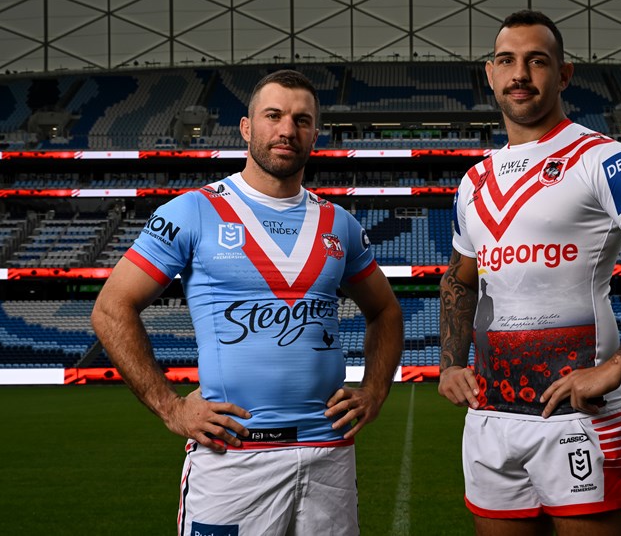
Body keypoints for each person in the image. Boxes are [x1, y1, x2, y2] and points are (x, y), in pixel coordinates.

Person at [91, 69, 404, 536]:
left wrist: (375, 392)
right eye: (273, 115)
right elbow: (111, 308)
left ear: (315, 135)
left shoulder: (339, 224)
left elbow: (386, 312)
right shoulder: (192, 211)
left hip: (329, 457)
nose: (286, 130)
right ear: (246, 127)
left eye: (301, 120)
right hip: (233, 457)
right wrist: (170, 407)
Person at [438, 10, 621, 535]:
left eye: (536, 61)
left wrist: (615, 368)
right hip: (491, 416)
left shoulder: (602, 159)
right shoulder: (473, 182)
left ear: (563, 75)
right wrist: (450, 364)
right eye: (506, 61)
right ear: (490, 74)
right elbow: (459, 279)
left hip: (582, 417)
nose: (520, 73)